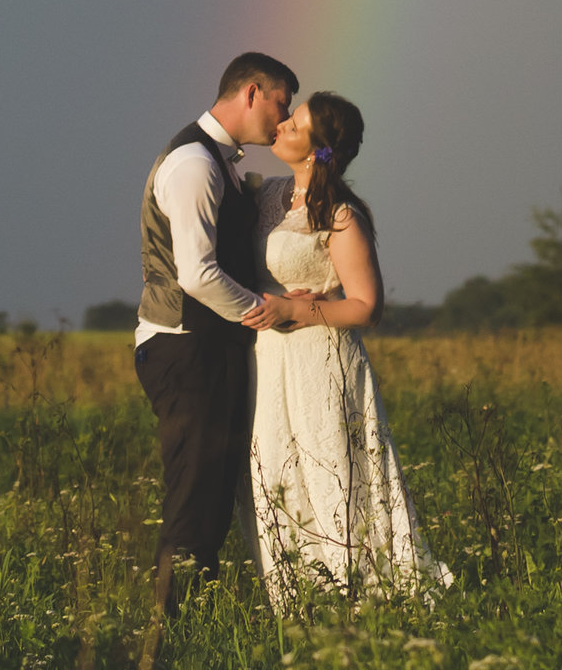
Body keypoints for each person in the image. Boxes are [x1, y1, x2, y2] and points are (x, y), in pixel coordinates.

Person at [244, 89, 447, 602]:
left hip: (321, 360)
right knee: (276, 473)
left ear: (316, 151)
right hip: (270, 363)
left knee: (333, 471)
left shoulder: (340, 216)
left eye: (296, 124)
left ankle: (362, 595)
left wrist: (295, 309)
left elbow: (366, 306)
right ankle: (297, 600)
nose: (283, 125)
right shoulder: (267, 194)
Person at [134, 52, 298, 585]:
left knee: (211, 496)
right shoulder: (194, 164)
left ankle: (190, 624)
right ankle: (171, 637)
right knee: (193, 497)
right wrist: (267, 314)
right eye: (281, 102)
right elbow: (198, 275)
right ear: (251, 92)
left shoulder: (219, 162)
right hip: (185, 347)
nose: (284, 116)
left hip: (206, 348)